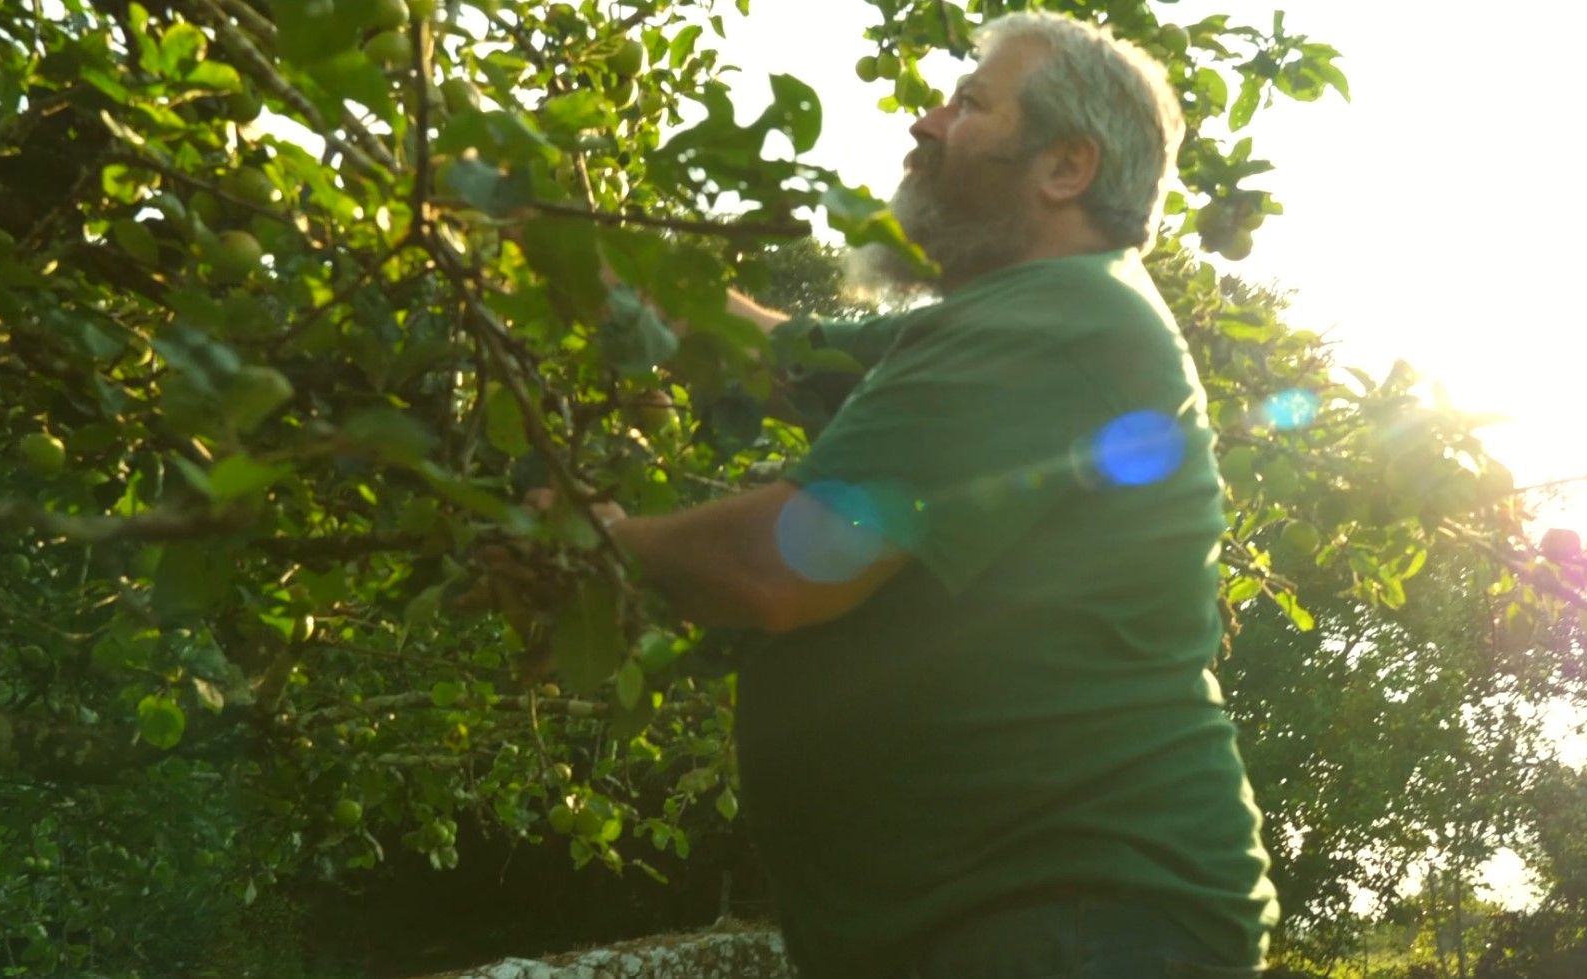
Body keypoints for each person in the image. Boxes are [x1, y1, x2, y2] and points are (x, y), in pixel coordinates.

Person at [502, 11, 1278, 978]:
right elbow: (773, 353)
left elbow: (792, 563)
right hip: (1024, 925)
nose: (925, 120)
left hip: (1080, 927)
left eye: (968, 103)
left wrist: (604, 541)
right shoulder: (1002, 321)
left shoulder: (1070, 319)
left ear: (1065, 168)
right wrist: (546, 227)